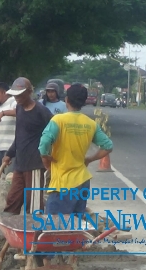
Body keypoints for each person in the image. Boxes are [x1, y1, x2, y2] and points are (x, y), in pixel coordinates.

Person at [38, 83, 113, 266]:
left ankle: (47, 265)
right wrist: (89, 159)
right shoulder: (90, 124)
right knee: (74, 229)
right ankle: (71, 263)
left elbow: (43, 146)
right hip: (82, 182)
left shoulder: (58, 121)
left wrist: (47, 162)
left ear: (66, 100)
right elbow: (108, 146)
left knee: (51, 231)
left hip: (62, 183)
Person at [2, 77, 53, 215]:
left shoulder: (41, 111)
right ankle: (10, 230)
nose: (17, 97)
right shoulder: (19, 108)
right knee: (13, 199)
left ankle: (34, 233)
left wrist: (48, 152)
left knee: (34, 205)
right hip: (20, 163)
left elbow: (54, 128)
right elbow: (19, 135)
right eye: (15, 95)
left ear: (29, 92)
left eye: (20, 94)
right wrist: (9, 153)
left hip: (35, 164)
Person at [0, 82, 17, 175]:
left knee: (9, 175)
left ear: (4, 92)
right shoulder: (2, 106)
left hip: (10, 147)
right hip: (0, 146)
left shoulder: (13, 101)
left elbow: (18, 112)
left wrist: (3, 113)